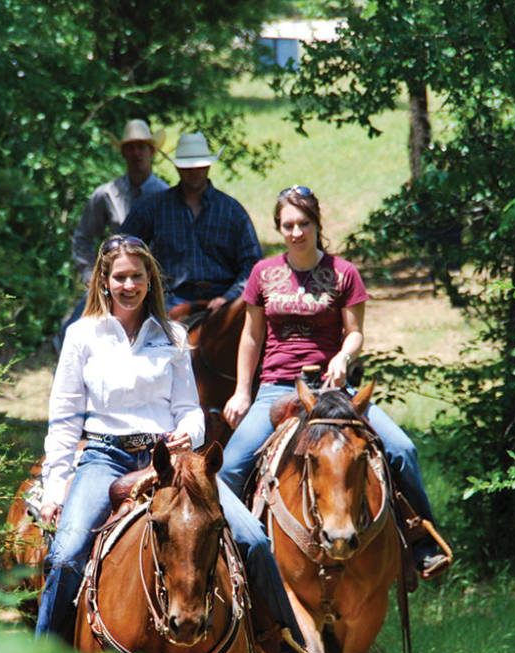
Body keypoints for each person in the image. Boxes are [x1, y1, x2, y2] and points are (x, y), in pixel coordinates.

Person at [34, 233, 313, 653]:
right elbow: (64, 417)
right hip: (105, 454)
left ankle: (277, 645)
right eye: (119, 277)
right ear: (104, 281)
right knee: (65, 554)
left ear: (150, 280)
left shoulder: (172, 335)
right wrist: (54, 486)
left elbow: (188, 406)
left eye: (137, 276)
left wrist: (192, 432)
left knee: (253, 539)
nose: (128, 285)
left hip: (171, 460)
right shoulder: (82, 335)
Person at [219, 186, 452, 578]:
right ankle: (236, 557)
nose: (296, 232)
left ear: (316, 224)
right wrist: (243, 391)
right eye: (288, 225)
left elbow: (355, 332)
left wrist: (344, 356)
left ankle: (421, 541)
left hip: (332, 390)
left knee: (401, 448)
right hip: (278, 387)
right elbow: (251, 336)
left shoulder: (343, 273)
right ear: (279, 228)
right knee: (229, 468)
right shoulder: (263, 274)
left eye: (304, 224)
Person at [119, 132, 262, 312]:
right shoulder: (153, 208)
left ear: (208, 167)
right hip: (170, 299)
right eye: (187, 167)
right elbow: (121, 248)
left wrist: (229, 296)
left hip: (224, 298)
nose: (194, 171)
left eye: (200, 167)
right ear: (178, 168)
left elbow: (253, 264)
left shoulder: (232, 211)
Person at [62, 120, 170, 342]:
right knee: (74, 330)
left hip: (153, 281)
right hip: (114, 279)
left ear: (152, 151)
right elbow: (83, 237)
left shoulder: (166, 196)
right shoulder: (107, 194)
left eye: (142, 147)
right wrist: (91, 277)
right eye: (130, 147)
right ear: (123, 153)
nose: (136, 153)